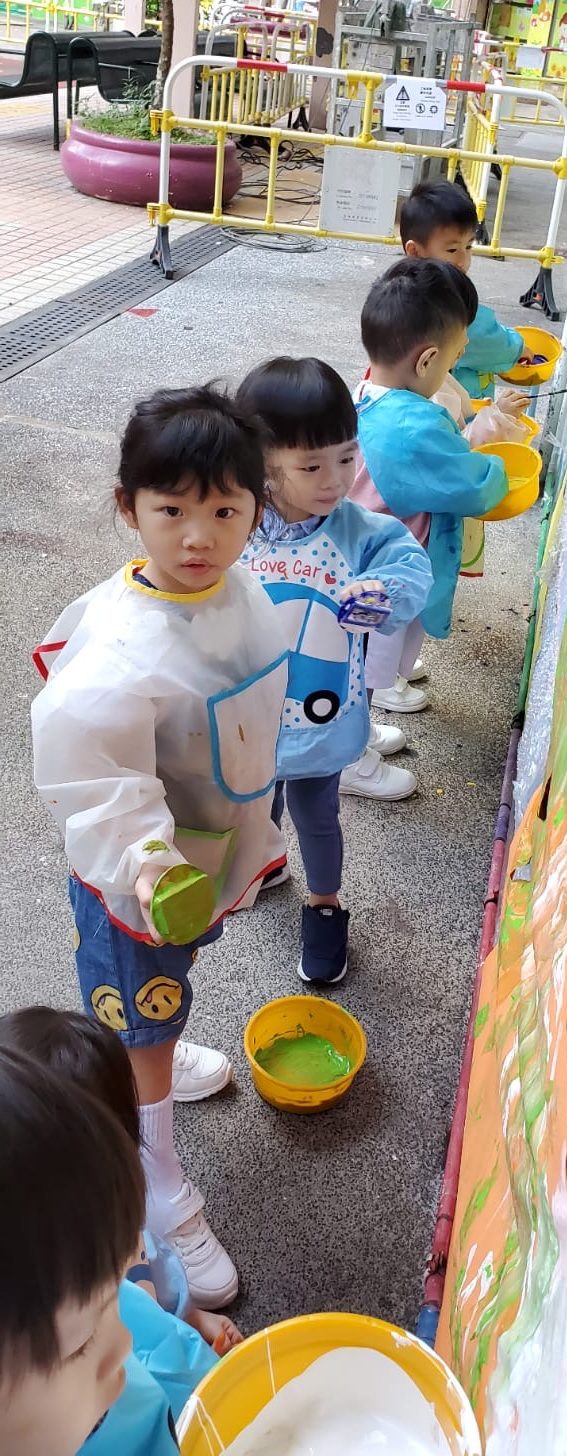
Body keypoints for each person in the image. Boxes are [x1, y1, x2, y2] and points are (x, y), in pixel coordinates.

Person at [31, 384, 289, 1311]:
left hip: (205, 851)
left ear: (256, 509)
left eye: (224, 511)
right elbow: (94, 776)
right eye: (171, 511)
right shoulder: (120, 647)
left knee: (164, 988)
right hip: (141, 878)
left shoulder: (236, 591)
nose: (198, 538)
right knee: (142, 996)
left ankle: (153, 1052)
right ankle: (158, 1186)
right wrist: (146, 861)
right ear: (127, 507)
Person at [235, 357, 433, 986]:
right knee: (254, 803)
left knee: (317, 814)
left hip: (320, 717)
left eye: (347, 458)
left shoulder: (362, 531)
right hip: (245, 715)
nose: (337, 479)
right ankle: (265, 861)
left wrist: (384, 592)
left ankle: (324, 904)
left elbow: (409, 568)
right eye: (312, 466)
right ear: (263, 464)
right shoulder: (235, 524)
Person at [0, 1045, 216, 1456]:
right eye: (79, 1346)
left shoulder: (88, 1304)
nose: (124, 1344)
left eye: (114, 1296)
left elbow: (162, 1335)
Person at [0, 1005, 242, 1354]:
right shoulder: (46, 1319)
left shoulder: (119, 1227)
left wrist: (189, 1318)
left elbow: (151, 1269)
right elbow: (136, 1375)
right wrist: (196, 1364)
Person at [350, 258, 508, 734]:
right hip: (386, 570)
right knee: (364, 663)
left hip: (362, 558)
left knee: (359, 657)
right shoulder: (412, 424)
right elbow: (470, 486)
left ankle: (355, 734)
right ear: (426, 361)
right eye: (454, 358)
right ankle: (353, 752)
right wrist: (500, 461)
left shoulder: (368, 394)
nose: (455, 366)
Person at [399, 179, 536, 400]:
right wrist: (518, 348)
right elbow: (486, 339)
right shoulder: (449, 303)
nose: (463, 259)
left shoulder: (398, 289)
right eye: (452, 250)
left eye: (469, 246)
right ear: (415, 251)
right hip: (453, 405)